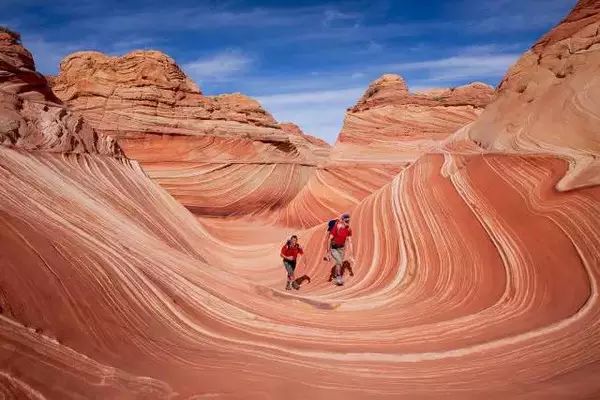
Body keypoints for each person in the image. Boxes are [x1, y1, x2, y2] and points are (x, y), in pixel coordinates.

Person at [325, 213, 354, 286]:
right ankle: (338, 277)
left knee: (339, 263)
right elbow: (329, 239)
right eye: (346, 221)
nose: (348, 222)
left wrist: (351, 255)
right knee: (339, 261)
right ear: (342, 220)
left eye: (348, 221)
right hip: (334, 248)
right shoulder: (336, 227)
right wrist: (328, 252)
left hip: (342, 248)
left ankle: (336, 274)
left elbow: (350, 242)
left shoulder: (349, 229)